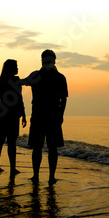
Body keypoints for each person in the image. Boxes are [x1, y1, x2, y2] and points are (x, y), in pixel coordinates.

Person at [23, 50, 68, 184]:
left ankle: (36, 176)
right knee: (52, 148)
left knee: (38, 147)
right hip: (53, 117)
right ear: (54, 61)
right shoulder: (60, 77)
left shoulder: (36, 75)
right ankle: (51, 177)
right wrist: (61, 115)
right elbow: (63, 100)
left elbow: (22, 82)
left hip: (38, 116)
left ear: (42, 60)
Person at [0, 59, 27, 177]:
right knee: (0, 141)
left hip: (14, 116)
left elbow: (20, 98)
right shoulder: (1, 81)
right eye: (16, 66)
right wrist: (2, 108)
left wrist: (23, 114)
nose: (17, 68)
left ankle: (13, 168)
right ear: (10, 68)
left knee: (12, 142)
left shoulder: (16, 81)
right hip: (3, 117)